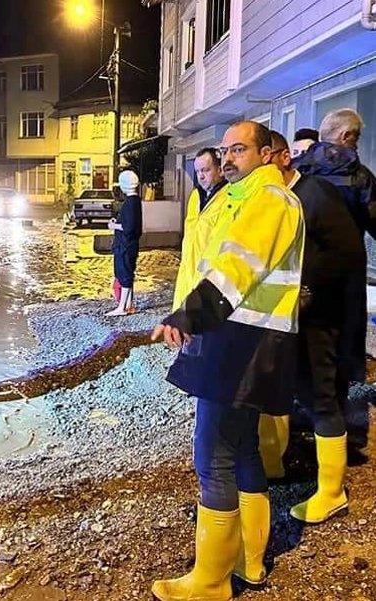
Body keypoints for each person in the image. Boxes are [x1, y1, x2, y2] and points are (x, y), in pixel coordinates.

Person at [150, 121, 306, 600]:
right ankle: (250, 563)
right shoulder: (246, 197)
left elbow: (238, 266)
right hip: (249, 340)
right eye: (225, 150)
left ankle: (211, 580)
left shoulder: (269, 200)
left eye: (239, 149)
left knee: (212, 454)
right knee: (241, 450)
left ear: (267, 154)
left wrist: (189, 315)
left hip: (240, 342)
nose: (228, 158)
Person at [256, 131, 363, 525]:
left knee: (321, 398)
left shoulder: (315, 194)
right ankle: (273, 463)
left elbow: (347, 253)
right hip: (285, 316)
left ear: (283, 157)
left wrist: (307, 290)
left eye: (264, 159)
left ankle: (332, 493)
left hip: (319, 318)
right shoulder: (276, 199)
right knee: (281, 388)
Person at [294, 108, 376, 457]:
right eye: (357, 137)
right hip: (344, 280)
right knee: (340, 350)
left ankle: (298, 418)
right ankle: (338, 428)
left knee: (301, 346)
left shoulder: (298, 171)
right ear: (346, 137)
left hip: (301, 277)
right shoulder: (359, 177)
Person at [174, 148, 228, 310]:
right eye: (198, 171)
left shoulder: (229, 198)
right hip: (187, 274)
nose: (201, 176)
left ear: (220, 170)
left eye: (206, 170)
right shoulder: (195, 196)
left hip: (209, 280)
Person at [106, 170, 143, 316]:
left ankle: (122, 307)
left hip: (125, 245)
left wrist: (114, 226)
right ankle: (128, 305)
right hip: (129, 244)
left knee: (124, 273)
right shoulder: (135, 201)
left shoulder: (130, 202)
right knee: (127, 273)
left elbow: (129, 227)